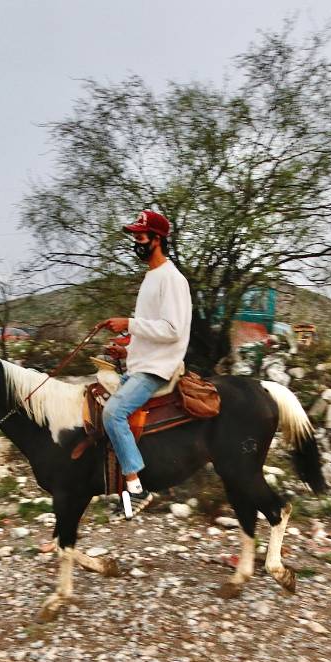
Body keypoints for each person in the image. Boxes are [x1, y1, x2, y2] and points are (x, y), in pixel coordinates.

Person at [98, 209, 191, 519]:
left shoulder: (172, 279)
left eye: (140, 237)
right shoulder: (152, 277)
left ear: (158, 239)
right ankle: (120, 494)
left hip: (157, 369)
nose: (136, 242)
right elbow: (151, 329)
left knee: (113, 413)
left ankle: (139, 490)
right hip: (141, 364)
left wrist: (130, 324)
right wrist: (126, 350)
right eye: (135, 237)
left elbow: (173, 330)